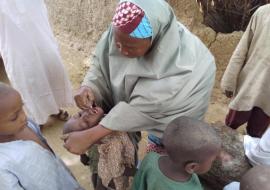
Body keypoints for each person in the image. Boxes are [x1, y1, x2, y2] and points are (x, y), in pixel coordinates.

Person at [63, 0, 216, 155]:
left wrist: (90, 136)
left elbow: (146, 107)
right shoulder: (123, 30)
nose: (122, 51)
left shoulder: (178, 64)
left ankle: (160, 145)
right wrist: (88, 86)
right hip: (151, 103)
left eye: (130, 47)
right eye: (117, 43)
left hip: (178, 107)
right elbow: (100, 63)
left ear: (154, 39)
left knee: (173, 141)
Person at [0, 0, 73, 125]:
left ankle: (54, 108)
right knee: (24, 69)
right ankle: (38, 118)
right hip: (7, 20)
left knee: (47, 57)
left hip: (32, 11)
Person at [0, 82, 82, 190]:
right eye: (14, 117)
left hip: (64, 179)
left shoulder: (26, 125)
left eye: (22, 108)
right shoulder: (3, 164)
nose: (23, 116)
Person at [132, 116, 221, 190]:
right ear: (192, 167)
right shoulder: (193, 187)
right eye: (212, 160)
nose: (216, 159)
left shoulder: (150, 159)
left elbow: (138, 185)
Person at [221, 4, 270, 137]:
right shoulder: (263, 13)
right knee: (230, 126)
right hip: (249, 83)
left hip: (268, 97)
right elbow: (242, 49)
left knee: (255, 135)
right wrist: (229, 81)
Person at [63, 107, 136, 190]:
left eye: (79, 114)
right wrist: (140, 172)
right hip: (117, 179)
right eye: (86, 123)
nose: (86, 114)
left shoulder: (103, 121)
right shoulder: (112, 146)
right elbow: (117, 171)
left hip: (107, 169)